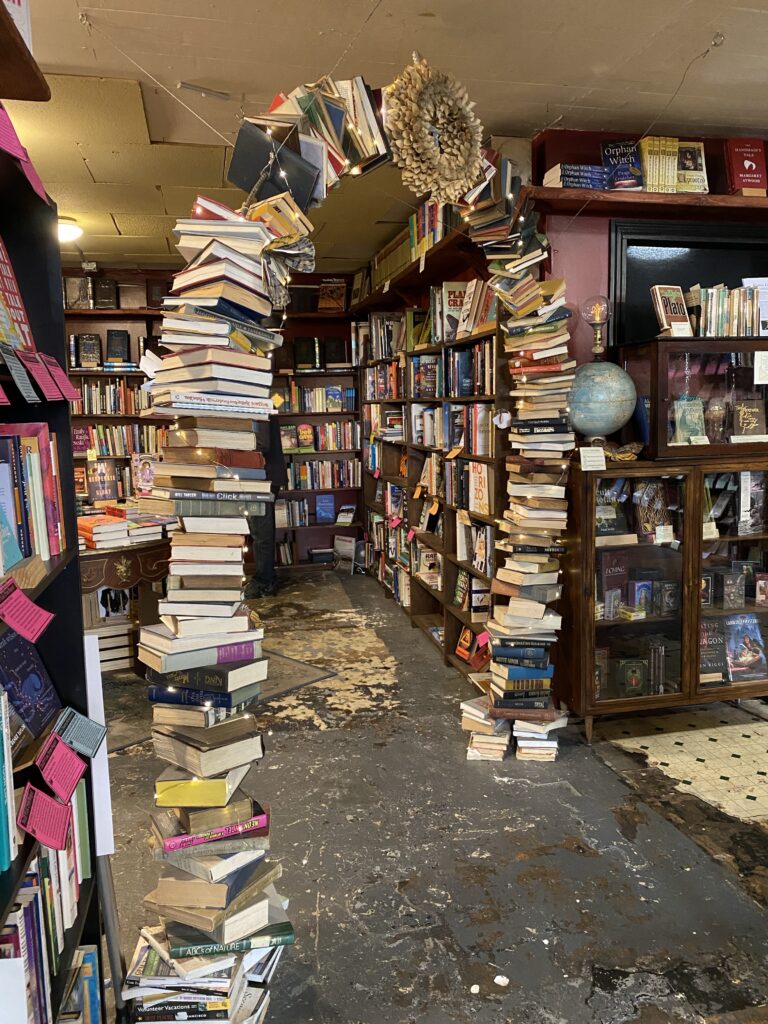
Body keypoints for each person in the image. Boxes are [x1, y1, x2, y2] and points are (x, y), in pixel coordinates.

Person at [245, 412, 286, 599]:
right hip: (261, 475)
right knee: (259, 529)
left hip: (263, 477)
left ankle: (265, 581)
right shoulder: (256, 401)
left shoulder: (256, 404)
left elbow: (262, 444)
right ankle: (266, 578)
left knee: (261, 530)